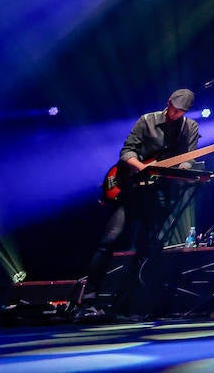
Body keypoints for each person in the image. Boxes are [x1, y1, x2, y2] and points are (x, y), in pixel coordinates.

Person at [76, 88, 201, 322]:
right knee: (109, 240)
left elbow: (188, 158)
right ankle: (89, 301)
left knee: (148, 248)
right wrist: (141, 167)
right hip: (131, 189)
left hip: (158, 193)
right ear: (168, 103)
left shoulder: (190, 128)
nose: (175, 115)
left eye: (181, 112)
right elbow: (127, 151)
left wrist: (184, 169)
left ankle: (130, 303)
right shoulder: (148, 120)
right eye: (174, 109)